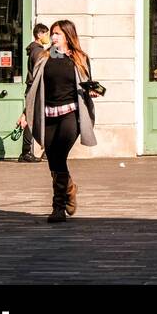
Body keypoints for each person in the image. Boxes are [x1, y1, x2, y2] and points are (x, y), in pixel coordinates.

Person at [18, 19, 100, 223]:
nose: (53, 37)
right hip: (48, 115)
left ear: (68, 36)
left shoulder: (80, 58)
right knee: (53, 159)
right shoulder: (43, 58)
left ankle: (58, 207)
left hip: (70, 115)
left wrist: (92, 91)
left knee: (59, 156)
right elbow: (33, 88)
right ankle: (70, 187)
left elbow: (86, 84)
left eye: (58, 34)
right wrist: (24, 114)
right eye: (52, 33)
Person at [18, 23, 49, 163]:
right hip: (36, 89)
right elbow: (41, 71)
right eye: (46, 34)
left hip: (33, 88)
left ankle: (27, 152)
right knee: (33, 119)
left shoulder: (37, 50)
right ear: (39, 35)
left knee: (34, 118)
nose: (48, 37)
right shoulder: (38, 52)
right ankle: (27, 153)